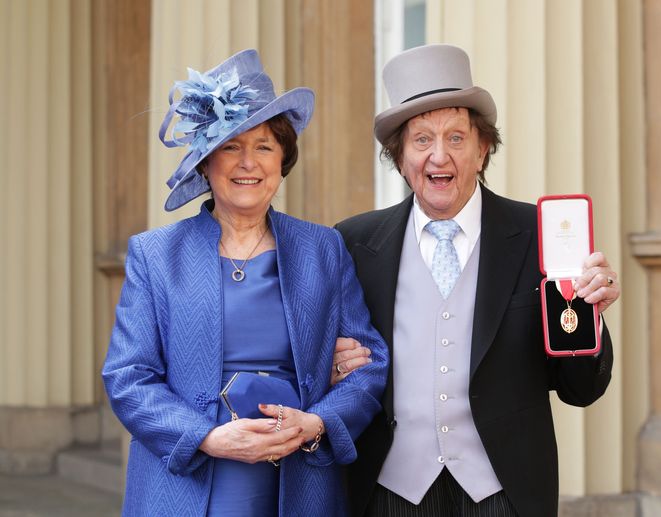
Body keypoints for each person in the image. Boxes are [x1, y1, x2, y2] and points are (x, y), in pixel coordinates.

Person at [334, 44, 620, 517]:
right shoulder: (354, 242)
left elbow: (580, 389)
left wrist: (587, 315)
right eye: (421, 140)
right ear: (400, 157)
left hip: (503, 494)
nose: (438, 156)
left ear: (483, 148)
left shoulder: (536, 234)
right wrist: (333, 367)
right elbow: (333, 366)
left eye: (456, 138)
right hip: (389, 494)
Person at [102, 49, 388, 517]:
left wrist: (318, 421)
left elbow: (369, 365)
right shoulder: (154, 255)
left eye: (264, 146)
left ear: (283, 160)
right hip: (185, 483)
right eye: (230, 146)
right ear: (205, 163)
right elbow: (128, 377)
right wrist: (208, 438)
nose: (247, 163)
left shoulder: (323, 249)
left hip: (301, 481)